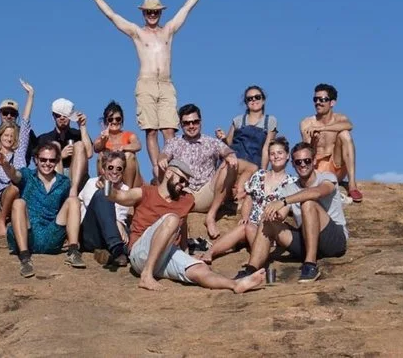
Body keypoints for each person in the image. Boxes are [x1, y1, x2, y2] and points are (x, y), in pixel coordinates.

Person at [82, 0, 215, 177]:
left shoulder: (168, 30)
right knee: (151, 130)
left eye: (155, 12)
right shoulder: (138, 32)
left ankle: (172, 168)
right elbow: (113, 16)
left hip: (166, 83)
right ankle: (157, 170)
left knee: (169, 130)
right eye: (149, 12)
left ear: (160, 13)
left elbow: (186, 8)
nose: (152, 15)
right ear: (143, 13)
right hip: (146, 83)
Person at [108, 160, 265, 293]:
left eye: (186, 183)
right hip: (141, 253)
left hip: (166, 254)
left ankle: (235, 284)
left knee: (200, 268)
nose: (183, 185)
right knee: (172, 219)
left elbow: (183, 227)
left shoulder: (186, 200)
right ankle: (146, 276)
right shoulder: (146, 192)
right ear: (169, 173)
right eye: (181, 180)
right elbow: (120, 196)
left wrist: (186, 253)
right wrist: (107, 187)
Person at [238, 142, 349, 283]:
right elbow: (282, 214)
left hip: (334, 241)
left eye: (307, 160)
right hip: (306, 240)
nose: (303, 165)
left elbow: (316, 192)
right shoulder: (290, 188)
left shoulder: (327, 178)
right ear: (293, 164)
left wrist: (283, 201)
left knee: (308, 203)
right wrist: (274, 213)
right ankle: (251, 270)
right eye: (298, 162)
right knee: (268, 222)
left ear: (314, 161)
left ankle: (310, 265)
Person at [196, 137, 297, 263]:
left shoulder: (292, 182)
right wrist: (245, 216)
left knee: (248, 229)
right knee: (245, 227)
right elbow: (249, 199)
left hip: (271, 230)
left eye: (280, 153)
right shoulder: (259, 175)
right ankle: (210, 252)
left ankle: (259, 258)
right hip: (252, 225)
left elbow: (283, 213)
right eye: (272, 153)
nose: (276, 156)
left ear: (287, 156)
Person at [0, 143, 86, 278]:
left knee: (73, 201)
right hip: (28, 233)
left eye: (52, 160)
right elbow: (14, 174)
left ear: (57, 161)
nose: (47, 163)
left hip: (52, 234)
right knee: (18, 203)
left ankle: (73, 251)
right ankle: (25, 258)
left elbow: (67, 211)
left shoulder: (64, 182)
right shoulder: (27, 175)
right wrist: (5, 165)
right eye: (43, 159)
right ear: (36, 160)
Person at [158, 104, 241, 239]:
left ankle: (211, 216)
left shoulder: (211, 142)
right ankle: (162, 209)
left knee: (230, 164)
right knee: (158, 168)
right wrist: (162, 159)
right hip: (183, 193)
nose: (191, 126)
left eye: (195, 122)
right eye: (186, 123)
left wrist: (229, 155)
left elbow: (226, 150)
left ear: (200, 122)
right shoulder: (174, 142)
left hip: (207, 193)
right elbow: (164, 154)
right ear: (181, 125)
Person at [0, 79, 35, 236]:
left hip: (25, 193)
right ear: (0, 137)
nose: (8, 138)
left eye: (11, 136)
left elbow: (25, 123)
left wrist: (30, 95)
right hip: (6, 194)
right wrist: (9, 168)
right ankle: (1, 220)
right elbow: (7, 178)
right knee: (14, 187)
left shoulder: (19, 152)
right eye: (6, 135)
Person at [300, 83, 362, 202]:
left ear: (332, 102)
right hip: (318, 170)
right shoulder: (306, 123)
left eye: (322, 99)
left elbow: (349, 125)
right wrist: (313, 141)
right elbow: (306, 154)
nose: (318, 102)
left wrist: (322, 128)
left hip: (336, 166)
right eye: (315, 99)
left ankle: (352, 186)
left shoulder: (340, 118)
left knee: (344, 134)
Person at [78, 151, 131, 267]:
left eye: (119, 168)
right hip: (92, 232)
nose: (114, 171)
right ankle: (117, 250)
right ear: (103, 169)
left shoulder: (126, 190)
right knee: (103, 195)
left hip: (112, 233)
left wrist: (120, 222)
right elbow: (98, 210)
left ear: (123, 171)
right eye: (110, 167)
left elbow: (123, 214)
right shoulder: (92, 183)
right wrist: (118, 221)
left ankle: (111, 253)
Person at [215, 85, 278, 170]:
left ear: (263, 100)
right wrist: (223, 138)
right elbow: (228, 144)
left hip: (253, 166)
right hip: (234, 163)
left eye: (257, 97)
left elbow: (266, 148)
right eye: (250, 98)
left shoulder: (270, 121)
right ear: (246, 103)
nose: (254, 100)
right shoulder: (238, 120)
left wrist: (262, 172)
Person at [36, 98, 93, 190]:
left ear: (70, 116)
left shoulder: (78, 134)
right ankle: (59, 190)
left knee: (79, 145)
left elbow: (89, 154)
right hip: (53, 176)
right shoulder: (44, 138)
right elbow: (38, 163)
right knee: (54, 146)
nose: (62, 118)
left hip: (77, 176)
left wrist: (82, 127)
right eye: (58, 115)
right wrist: (60, 156)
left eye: (65, 115)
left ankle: (73, 190)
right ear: (53, 116)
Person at [93, 101, 143, 188]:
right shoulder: (102, 138)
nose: (114, 121)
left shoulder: (129, 135)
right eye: (110, 119)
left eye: (118, 119)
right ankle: (105, 187)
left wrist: (122, 148)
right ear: (106, 121)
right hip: (111, 178)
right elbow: (96, 148)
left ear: (122, 120)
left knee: (129, 155)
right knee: (101, 155)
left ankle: (127, 191)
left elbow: (137, 145)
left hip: (129, 180)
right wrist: (103, 140)